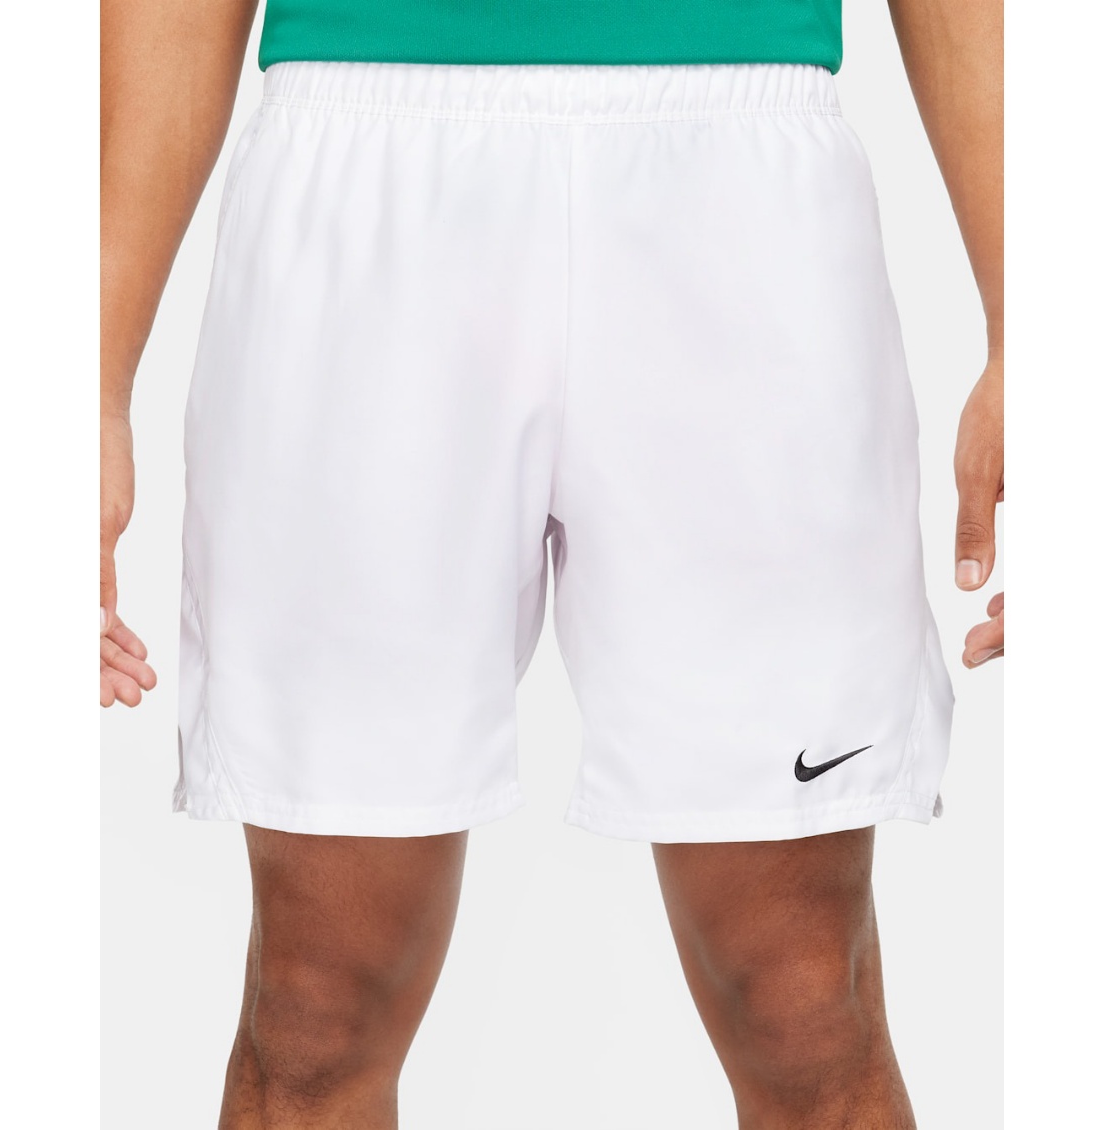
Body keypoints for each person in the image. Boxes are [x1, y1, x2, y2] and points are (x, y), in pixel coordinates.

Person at [100, 0, 1002, 1124]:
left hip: (744, 174)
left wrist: (1037, 322)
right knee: (314, 1003)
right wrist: (86, 372)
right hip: (362, 164)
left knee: (802, 999)